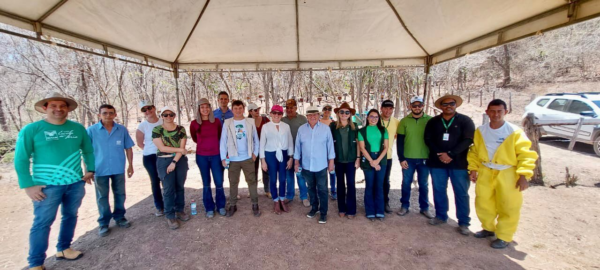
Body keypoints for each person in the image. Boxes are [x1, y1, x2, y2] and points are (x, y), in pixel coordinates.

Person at [14, 92, 95, 270]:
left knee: (70, 216)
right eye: (53, 106)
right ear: (45, 108)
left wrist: (90, 169)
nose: (58, 109)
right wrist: (28, 185)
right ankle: (36, 263)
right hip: (46, 186)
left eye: (62, 106)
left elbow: (88, 150)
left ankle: (64, 248)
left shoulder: (77, 128)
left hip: (75, 182)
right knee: (42, 223)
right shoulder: (32, 129)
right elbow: (21, 159)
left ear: (67, 108)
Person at [468, 99, 538, 249]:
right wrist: (473, 169)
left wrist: (523, 176)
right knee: (483, 202)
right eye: (492, 111)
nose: (496, 114)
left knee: (508, 205)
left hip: (507, 172)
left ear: (505, 112)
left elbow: (525, 154)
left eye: (499, 111)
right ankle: (488, 228)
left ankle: (504, 236)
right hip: (486, 170)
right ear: (487, 112)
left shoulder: (514, 132)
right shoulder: (481, 131)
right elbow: (474, 151)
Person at [424, 94, 475, 236]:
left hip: (458, 164)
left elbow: (468, 140)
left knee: (461, 193)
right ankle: (441, 216)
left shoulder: (465, 120)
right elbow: (428, 139)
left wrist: (451, 154)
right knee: (439, 190)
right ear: (440, 106)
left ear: (456, 105)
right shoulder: (433, 121)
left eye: (451, 103)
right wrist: (440, 153)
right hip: (437, 162)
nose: (448, 106)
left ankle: (464, 222)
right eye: (445, 104)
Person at [87, 104, 135, 237]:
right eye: (104, 113)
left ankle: (120, 217)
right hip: (99, 169)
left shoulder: (121, 130)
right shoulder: (91, 131)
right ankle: (104, 222)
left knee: (120, 193)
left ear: (115, 114)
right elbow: (86, 151)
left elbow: (129, 148)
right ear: (99, 115)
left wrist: (130, 165)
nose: (108, 115)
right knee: (102, 196)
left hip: (118, 168)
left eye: (110, 113)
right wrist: (88, 169)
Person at [294, 106, 335, 224]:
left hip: (321, 165)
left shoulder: (325, 129)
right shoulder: (301, 129)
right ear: (307, 117)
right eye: (310, 115)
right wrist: (296, 162)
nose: (312, 117)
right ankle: (314, 208)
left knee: (322, 190)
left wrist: (331, 162)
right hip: (307, 165)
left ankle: (323, 213)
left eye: (315, 115)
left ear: (319, 116)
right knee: (311, 188)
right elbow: (297, 147)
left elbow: (330, 146)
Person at [220, 100, 261, 217]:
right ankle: (233, 205)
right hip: (233, 158)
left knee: (251, 181)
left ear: (243, 109)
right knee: (233, 182)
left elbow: (255, 139)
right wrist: (223, 157)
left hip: (248, 157)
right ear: (232, 110)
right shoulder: (227, 123)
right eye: (235, 108)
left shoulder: (250, 122)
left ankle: (255, 204)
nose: (238, 111)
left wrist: (254, 154)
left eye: (240, 108)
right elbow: (223, 141)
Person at [396, 96, 434, 219]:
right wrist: (401, 158)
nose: (417, 108)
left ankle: (425, 207)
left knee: (423, 184)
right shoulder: (404, 121)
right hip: (408, 158)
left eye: (419, 105)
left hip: (424, 158)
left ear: (423, 106)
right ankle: (404, 206)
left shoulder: (430, 120)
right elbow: (400, 141)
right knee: (406, 183)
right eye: (414, 105)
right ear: (410, 106)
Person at [152, 106, 189, 230]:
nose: (168, 117)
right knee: (168, 188)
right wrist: (180, 150)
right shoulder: (157, 130)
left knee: (180, 186)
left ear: (174, 115)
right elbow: (162, 148)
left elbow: (183, 145)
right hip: (163, 160)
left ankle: (180, 210)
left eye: (171, 114)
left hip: (179, 160)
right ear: (161, 116)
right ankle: (170, 214)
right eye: (165, 115)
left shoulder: (181, 129)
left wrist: (174, 161)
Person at [190, 98, 226, 218]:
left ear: (210, 108)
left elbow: (219, 136)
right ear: (199, 109)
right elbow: (195, 138)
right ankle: (209, 207)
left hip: (216, 155)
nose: (205, 109)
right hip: (202, 157)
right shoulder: (194, 123)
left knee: (219, 182)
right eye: (202, 107)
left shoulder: (216, 122)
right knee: (206, 183)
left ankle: (221, 206)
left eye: (207, 107)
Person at [260, 105, 294, 214]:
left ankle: (282, 199)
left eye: (279, 113)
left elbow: (290, 142)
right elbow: (262, 145)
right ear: (270, 114)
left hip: (283, 154)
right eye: (274, 113)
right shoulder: (266, 127)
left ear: (281, 115)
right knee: (273, 179)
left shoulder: (286, 126)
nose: (276, 115)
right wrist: (263, 160)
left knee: (283, 179)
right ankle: (275, 200)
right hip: (270, 154)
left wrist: (290, 157)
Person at [330, 102, 360, 219]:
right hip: (338, 160)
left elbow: (358, 143)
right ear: (338, 113)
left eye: (347, 112)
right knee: (340, 184)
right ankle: (341, 208)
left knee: (351, 184)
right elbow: (329, 144)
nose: (344, 114)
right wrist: (330, 160)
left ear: (350, 114)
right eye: (341, 112)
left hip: (351, 160)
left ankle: (351, 210)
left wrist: (358, 158)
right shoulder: (332, 126)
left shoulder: (355, 126)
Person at [358, 109, 389, 221]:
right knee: (370, 185)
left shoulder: (383, 130)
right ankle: (370, 211)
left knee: (379, 186)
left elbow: (386, 148)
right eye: (371, 116)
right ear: (367, 117)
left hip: (381, 158)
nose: (374, 119)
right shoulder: (362, 131)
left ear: (379, 118)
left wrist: (377, 161)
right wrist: (372, 161)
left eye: (376, 117)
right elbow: (362, 148)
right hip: (368, 158)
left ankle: (379, 211)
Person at [136, 101, 165, 217]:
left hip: (164, 155)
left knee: (166, 180)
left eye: (149, 108)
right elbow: (139, 143)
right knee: (155, 181)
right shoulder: (142, 126)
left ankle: (170, 204)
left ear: (154, 108)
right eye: (144, 110)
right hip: (150, 157)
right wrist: (150, 149)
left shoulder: (164, 121)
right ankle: (159, 206)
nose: (148, 111)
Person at [282, 99, 310, 207]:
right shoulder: (282, 120)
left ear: (296, 108)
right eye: (287, 107)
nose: (289, 109)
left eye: (291, 107)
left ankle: (304, 197)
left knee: (300, 175)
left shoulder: (302, 119)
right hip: (286, 153)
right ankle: (289, 196)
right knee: (289, 176)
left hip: (300, 153)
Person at [379, 100, 400, 213]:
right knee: (374, 180)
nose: (388, 111)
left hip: (388, 156)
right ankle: (374, 202)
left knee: (385, 181)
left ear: (392, 109)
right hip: (374, 157)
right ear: (381, 108)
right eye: (385, 108)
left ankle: (385, 202)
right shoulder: (375, 119)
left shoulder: (396, 122)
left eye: (390, 108)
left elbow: (396, 137)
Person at [249, 103, 271, 198]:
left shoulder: (265, 120)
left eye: (258, 109)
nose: (257, 111)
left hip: (265, 148)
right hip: (252, 150)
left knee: (266, 169)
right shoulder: (246, 121)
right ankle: (253, 191)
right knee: (252, 171)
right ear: (250, 112)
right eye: (255, 110)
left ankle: (268, 190)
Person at [320, 104, 337, 200]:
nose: (327, 111)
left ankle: (333, 190)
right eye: (325, 109)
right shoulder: (318, 122)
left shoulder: (334, 123)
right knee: (322, 173)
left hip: (331, 150)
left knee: (332, 172)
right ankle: (323, 190)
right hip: (321, 151)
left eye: (329, 109)